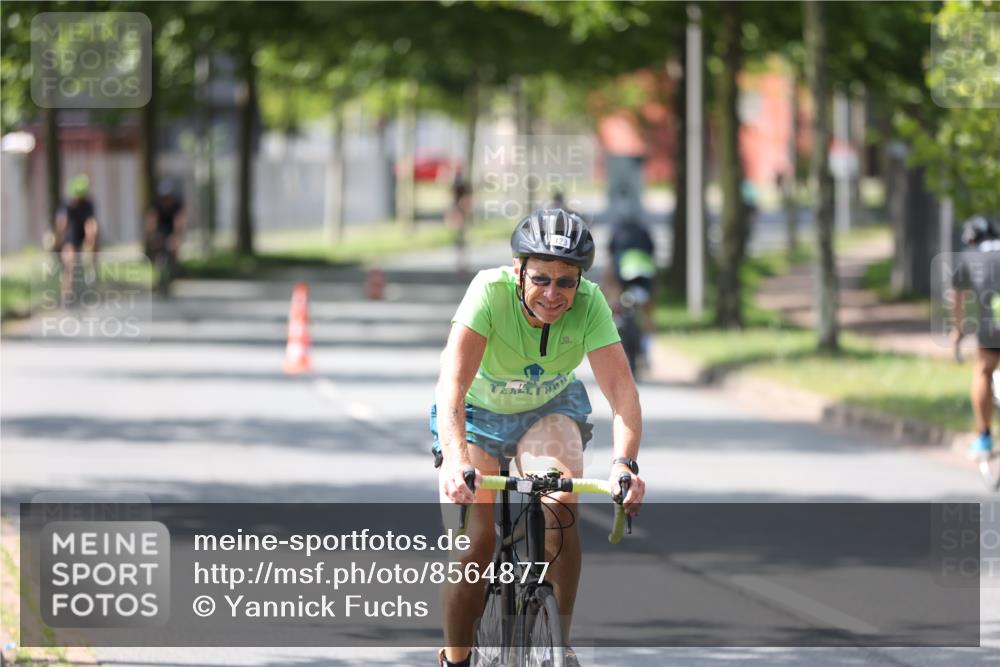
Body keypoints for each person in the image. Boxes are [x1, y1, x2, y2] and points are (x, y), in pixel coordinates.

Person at [431, 208, 646, 667]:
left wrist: (626, 465)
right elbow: (451, 384)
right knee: (476, 544)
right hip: (475, 417)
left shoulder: (589, 304)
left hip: (545, 412)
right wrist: (454, 460)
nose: (553, 294)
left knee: (560, 501)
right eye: (541, 279)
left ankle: (557, 644)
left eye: (566, 282)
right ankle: (456, 659)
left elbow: (623, 392)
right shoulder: (487, 293)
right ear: (518, 272)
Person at [952, 214, 1000, 458]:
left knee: (983, 370)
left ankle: (984, 437)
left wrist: (958, 331)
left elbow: (958, 298)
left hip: (992, 325)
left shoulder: (970, 254)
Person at [601, 217, 657, 359]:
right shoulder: (644, 233)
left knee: (612, 289)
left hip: (622, 272)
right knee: (648, 307)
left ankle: (614, 316)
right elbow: (652, 250)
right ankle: (648, 345)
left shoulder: (617, 234)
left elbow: (610, 252)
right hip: (644, 272)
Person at [54, 174, 99, 305]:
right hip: (70, 238)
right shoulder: (66, 206)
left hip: (82, 235)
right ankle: (67, 296)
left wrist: (92, 238)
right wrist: (59, 241)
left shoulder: (88, 204)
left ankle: (92, 269)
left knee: (94, 233)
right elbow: (62, 225)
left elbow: (91, 223)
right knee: (71, 264)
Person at [145, 179, 187, 276]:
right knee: (156, 245)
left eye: (168, 197)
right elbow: (152, 219)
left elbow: (179, 221)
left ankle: (174, 268)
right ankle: (154, 270)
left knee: (173, 246)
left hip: (172, 228)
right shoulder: (156, 204)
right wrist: (151, 235)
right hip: (160, 228)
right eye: (164, 197)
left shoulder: (177, 204)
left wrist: (176, 237)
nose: (166, 200)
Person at [446, 167, 472, 275]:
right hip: (459, 212)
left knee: (460, 240)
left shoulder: (457, 187)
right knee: (460, 240)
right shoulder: (462, 187)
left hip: (459, 212)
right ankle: (461, 262)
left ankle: (461, 262)